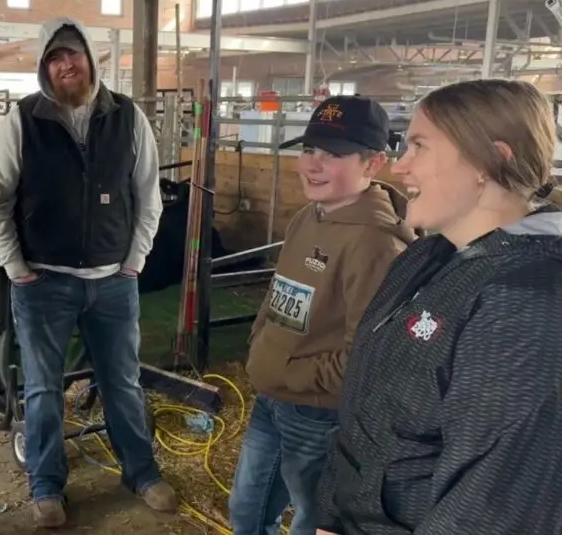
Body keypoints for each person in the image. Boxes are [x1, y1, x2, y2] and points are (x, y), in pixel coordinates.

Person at [315, 79, 562, 534]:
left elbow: (493, 505)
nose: (401, 167)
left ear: (490, 160)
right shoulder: (424, 258)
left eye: (419, 147)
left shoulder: (526, 302)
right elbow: (362, 406)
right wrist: (329, 514)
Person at [0, 17, 174, 528]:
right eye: (54, 58)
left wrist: (134, 263)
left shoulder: (129, 118)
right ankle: (46, 486)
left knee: (123, 383)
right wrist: (16, 268)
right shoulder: (22, 121)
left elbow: (148, 197)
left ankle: (140, 471)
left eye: (73, 53)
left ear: (91, 57)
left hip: (113, 282)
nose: (65, 64)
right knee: (43, 390)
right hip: (44, 283)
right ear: (45, 68)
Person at [231, 95, 417, 535]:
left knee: (312, 517)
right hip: (272, 394)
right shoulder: (308, 216)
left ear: (372, 164)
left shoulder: (376, 245)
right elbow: (280, 295)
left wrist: (292, 373)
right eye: (309, 149)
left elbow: (367, 358)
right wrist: (264, 350)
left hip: (315, 413)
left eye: (333, 154)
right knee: (247, 510)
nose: (313, 164)